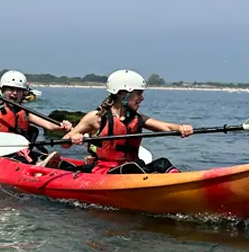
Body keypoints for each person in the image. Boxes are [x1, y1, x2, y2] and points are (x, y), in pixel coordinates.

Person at [61, 69, 194, 174]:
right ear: (123, 94)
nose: (142, 98)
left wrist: (181, 128)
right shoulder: (96, 118)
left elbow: (166, 127)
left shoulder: (137, 118)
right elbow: (64, 142)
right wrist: (75, 138)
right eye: (138, 94)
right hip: (106, 171)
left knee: (162, 163)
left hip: (133, 167)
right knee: (131, 168)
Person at [0, 70, 72, 166]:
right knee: (23, 160)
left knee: (62, 164)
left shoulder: (25, 112)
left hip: (20, 152)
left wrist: (62, 126)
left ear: (23, 93)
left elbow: (49, 125)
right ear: (3, 90)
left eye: (19, 90)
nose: (15, 93)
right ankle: (38, 166)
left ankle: (46, 164)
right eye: (10, 89)